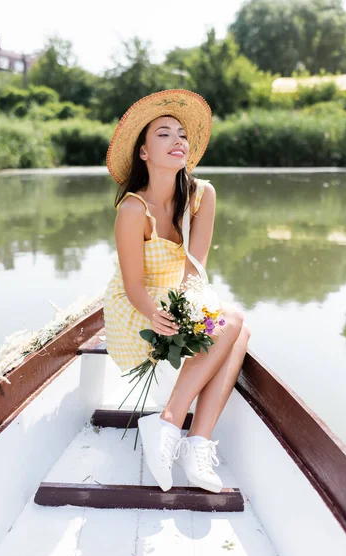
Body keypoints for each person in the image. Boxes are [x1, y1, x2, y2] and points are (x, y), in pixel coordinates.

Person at [104, 89, 251, 494]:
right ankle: (174, 423)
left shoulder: (203, 195)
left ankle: (193, 439)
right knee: (234, 322)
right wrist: (157, 314)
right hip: (137, 308)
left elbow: (194, 270)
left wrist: (192, 312)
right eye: (164, 134)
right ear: (144, 153)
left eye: (182, 135)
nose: (178, 141)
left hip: (176, 294)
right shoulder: (133, 210)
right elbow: (133, 285)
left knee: (235, 326)